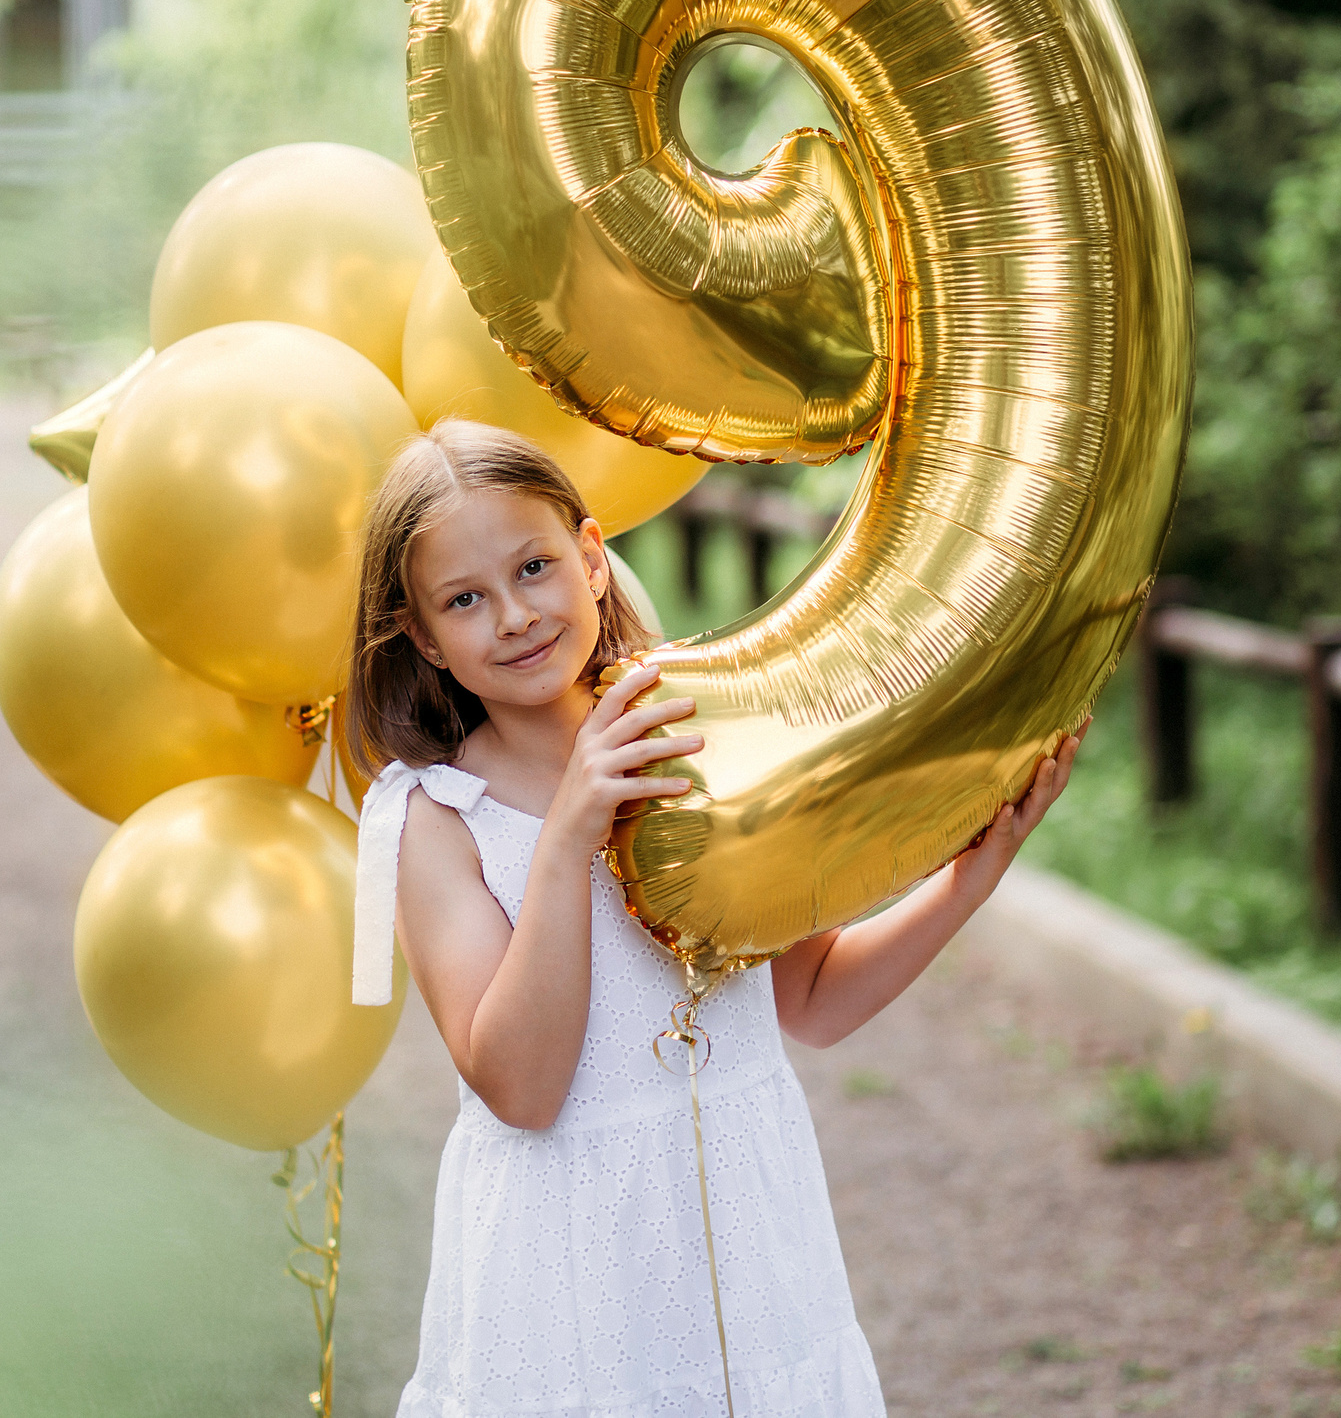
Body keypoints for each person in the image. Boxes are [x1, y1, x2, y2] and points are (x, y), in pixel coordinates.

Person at [344, 419, 1083, 1417]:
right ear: (425, 637)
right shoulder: (437, 819)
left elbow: (811, 999)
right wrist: (569, 834)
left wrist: (966, 881)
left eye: (534, 567)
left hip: (743, 1230)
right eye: (465, 600)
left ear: (593, 560)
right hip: (568, 1267)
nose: (513, 615)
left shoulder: (691, 740)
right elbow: (521, 1087)